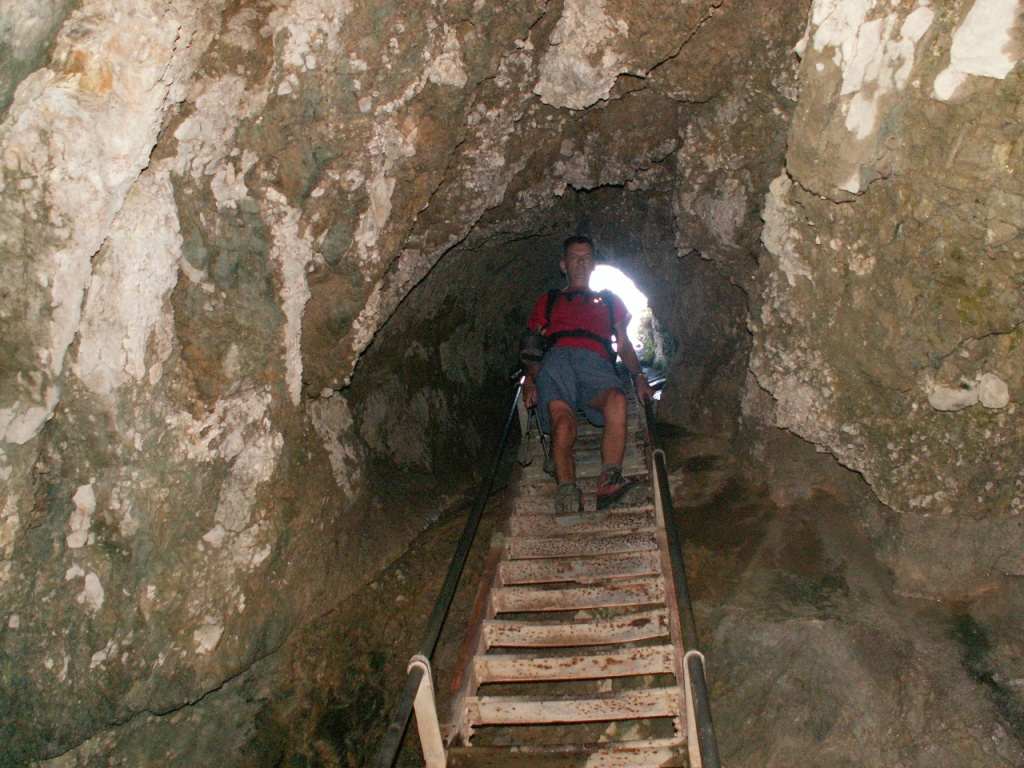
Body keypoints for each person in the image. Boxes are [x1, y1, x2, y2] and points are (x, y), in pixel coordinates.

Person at [522, 235, 654, 514]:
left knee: (617, 400)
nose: (580, 262)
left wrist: (639, 377)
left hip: (596, 360)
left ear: (594, 263)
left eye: (586, 257)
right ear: (563, 264)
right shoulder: (549, 300)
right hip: (557, 359)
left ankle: (609, 481)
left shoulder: (609, 300)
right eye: (574, 257)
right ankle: (568, 491)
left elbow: (624, 343)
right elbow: (533, 345)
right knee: (562, 423)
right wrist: (530, 379)